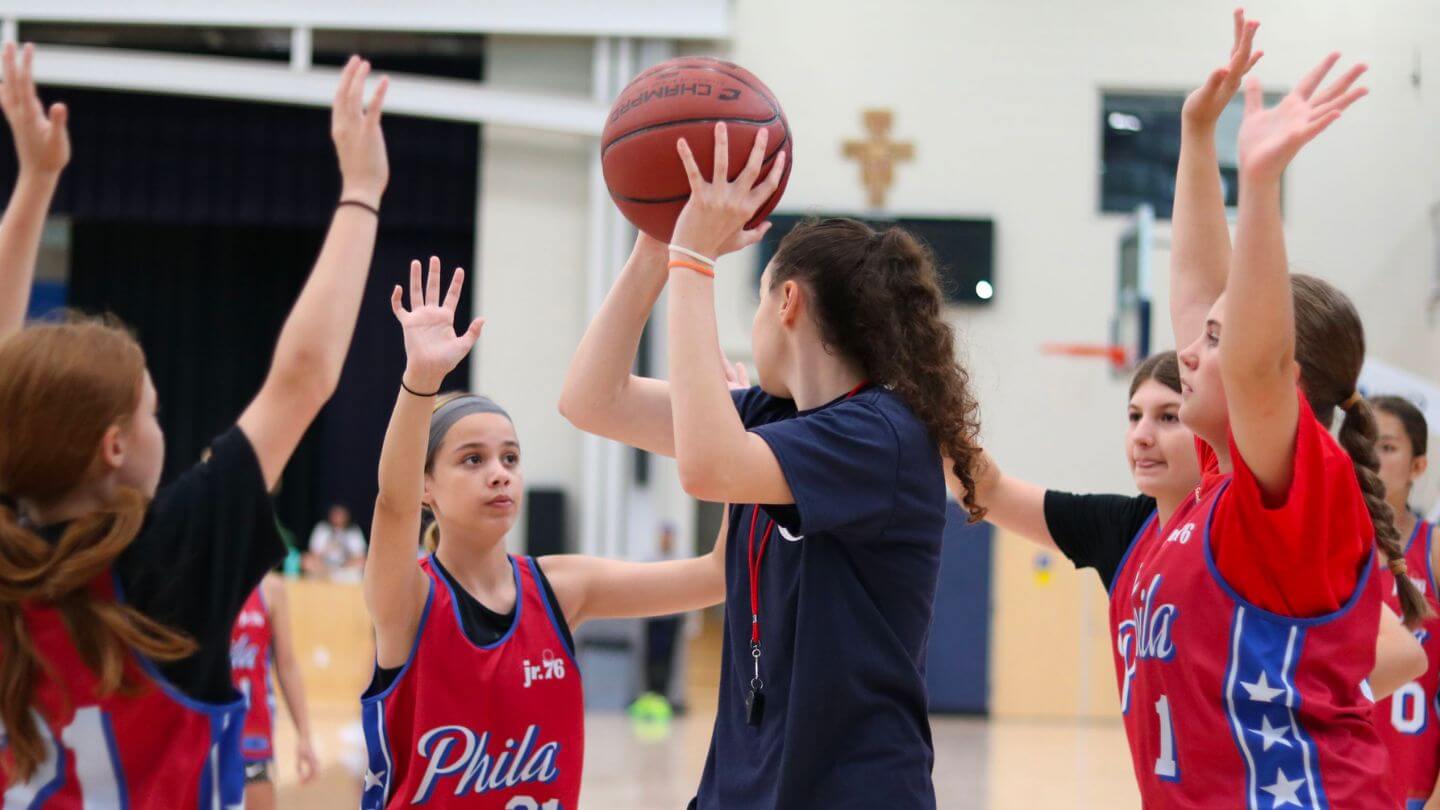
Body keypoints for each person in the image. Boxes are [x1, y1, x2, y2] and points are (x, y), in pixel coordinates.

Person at [0, 52, 389, 805]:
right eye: (150, 409)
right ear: (114, 447)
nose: (160, 424)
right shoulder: (168, 560)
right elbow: (302, 376)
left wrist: (35, 183)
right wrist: (363, 190)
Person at [561, 123, 982, 808]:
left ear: (787, 302)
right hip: (742, 783)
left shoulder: (882, 434)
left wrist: (693, 263)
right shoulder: (774, 418)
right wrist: (653, 252)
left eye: (757, 296)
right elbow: (590, 400)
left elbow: (709, 469)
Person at [1112, 11, 1414, 804]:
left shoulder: (1294, 488)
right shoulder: (1219, 481)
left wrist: (1261, 183)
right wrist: (1197, 134)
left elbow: (1250, 364)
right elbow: (1197, 295)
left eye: (1214, 340)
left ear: (1284, 380)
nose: (1188, 353)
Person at [358, 259, 740, 809]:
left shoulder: (560, 586)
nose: (499, 472)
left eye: (509, 457)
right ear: (426, 487)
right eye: (472, 459)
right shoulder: (407, 600)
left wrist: (735, 440)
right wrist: (420, 380)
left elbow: (716, 575)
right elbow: (390, 505)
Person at [1368, 395, 1440, 809]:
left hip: (1413, 787)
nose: (1372, 457)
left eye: (1388, 447)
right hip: (1329, 783)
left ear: (1418, 466)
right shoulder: (1323, 550)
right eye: (1364, 443)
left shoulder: (1431, 549)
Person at [231, 572, 319, 809]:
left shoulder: (270, 588)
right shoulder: (194, 576)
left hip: (253, 732)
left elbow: (287, 665)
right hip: (205, 732)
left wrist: (304, 737)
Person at [305, 503, 367, 581]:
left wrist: (344, 565)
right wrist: (328, 548)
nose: (338, 517)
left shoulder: (353, 531)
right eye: (336, 514)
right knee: (307, 560)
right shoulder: (322, 528)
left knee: (363, 562)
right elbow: (314, 554)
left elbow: (360, 556)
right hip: (324, 566)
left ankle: (336, 576)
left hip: (345, 566)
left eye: (341, 514)